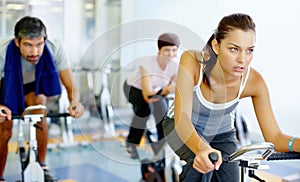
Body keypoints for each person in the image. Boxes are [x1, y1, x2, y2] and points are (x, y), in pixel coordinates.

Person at [170, 13, 300, 181]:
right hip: (178, 126)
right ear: (216, 46)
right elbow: (182, 119)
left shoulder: (254, 82)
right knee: (205, 166)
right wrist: (202, 149)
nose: (242, 60)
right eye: (234, 49)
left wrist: (297, 143)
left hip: (221, 134)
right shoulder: (192, 61)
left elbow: (274, 137)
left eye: (249, 51)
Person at [0, 16, 84, 182]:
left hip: (33, 84)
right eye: (28, 45)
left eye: (39, 44)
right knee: (5, 129)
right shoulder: (2, 51)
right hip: (7, 84)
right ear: (17, 42)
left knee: (40, 112)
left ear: (45, 40)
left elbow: (71, 88)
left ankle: (42, 165)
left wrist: (75, 102)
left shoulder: (55, 47)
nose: (35, 52)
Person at [123, 33, 180, 159]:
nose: (171, 54)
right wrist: (166, 90)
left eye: (174, 50)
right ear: (159, 50)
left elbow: (174, 88)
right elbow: (147, 94)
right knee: (144, 110)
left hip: (158, 91)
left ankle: (161, 145)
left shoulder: (176, 66)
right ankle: (131, 143)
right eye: (167, 50)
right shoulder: (148, 62)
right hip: (134, 88)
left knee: (163, 113)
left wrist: (167, 91)